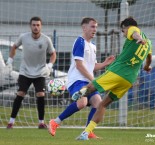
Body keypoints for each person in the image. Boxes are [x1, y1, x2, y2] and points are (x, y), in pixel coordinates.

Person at [72, 17, 152, 140]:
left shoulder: (133, 29)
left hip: (118, 72)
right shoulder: (149, 42)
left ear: (125, 27)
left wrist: (139, 38)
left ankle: (76, 94)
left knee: (92, 86)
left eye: (122, 31)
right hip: (129, 80)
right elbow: (149, 58)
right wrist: (147, 67)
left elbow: (135, 33)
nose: (123, 34)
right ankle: (85, 133)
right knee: (103, 105)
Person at [48, 17, 115, 139]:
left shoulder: (93, 46)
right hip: (77, 80)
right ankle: (55, 122)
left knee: (98, 103)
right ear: (84, 27)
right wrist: (94, 80)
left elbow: (92, 66)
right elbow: (79, 65)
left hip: (88, 80)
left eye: (96, 27)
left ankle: (88, 132)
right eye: (92, 26)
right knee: (82, 102)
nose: (95, 29)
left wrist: (104, 63)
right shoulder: (80, 42)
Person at [6, 16, 56, 129]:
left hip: (40, 72)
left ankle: (41, 122)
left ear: (41, 26)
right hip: (25, 71)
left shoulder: (46, 39)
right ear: (30, 26)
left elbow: (53, 53)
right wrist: (10, 60)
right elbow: (14, 47)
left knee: (41, 95)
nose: (36, 27)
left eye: (38, 25)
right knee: (20, 94)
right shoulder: (23, 37)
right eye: (34, 25)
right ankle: (11, 122)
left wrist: (50, 65)